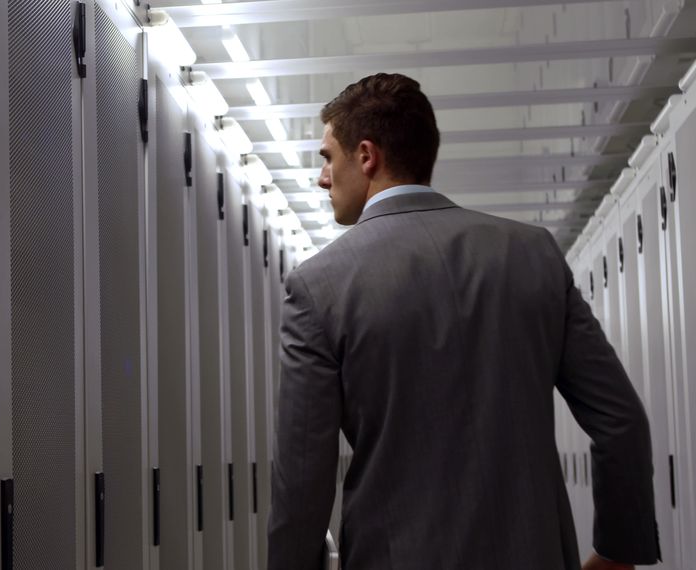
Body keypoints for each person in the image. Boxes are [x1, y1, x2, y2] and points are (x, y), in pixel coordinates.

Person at [267, 73, 660, 570]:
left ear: (366, 156)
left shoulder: (318, 285)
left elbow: (302, 480)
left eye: (327, 157)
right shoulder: (532, 254)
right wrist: (618, 554)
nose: (322, 177)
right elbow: (620, 422)